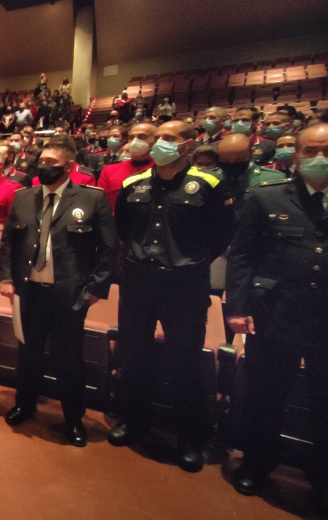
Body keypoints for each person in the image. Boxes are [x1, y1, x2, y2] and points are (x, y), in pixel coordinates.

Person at [109, 121, 234, 472]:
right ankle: (133, 421)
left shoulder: (209, 184)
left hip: (184, 285)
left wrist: (186, 263)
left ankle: (189, 438)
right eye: (157, 138)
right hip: (138, 282)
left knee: (185, 364)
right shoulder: (133, 184)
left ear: (188, 145)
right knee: (134, 356)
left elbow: (220, 237)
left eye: (169, 138)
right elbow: (124, 231)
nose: (160, 143)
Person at [225, 124, 328, 513]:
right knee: (265, 396)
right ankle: (256, 463)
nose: (320, 157)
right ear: (297, 156)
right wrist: (235, 307)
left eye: (326, 149)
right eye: (312, 150)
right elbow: (243, 256)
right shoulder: (266, 198)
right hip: (276, 314)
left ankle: (321, 479)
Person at [0, 140, 116, 447]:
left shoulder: (91, 199)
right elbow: (9, 241)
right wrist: (8, 278)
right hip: (30, 291)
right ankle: (25, 404)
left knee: (69, 360)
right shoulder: (23, 198)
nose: (42, 165)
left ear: (67, 167)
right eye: (41, 160)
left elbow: (107, 248)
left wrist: (95, 290)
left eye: (50, 161)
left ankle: (73, 418)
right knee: (28, 354)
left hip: (68, 293)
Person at [97, 122, 157, 212]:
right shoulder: (110, 170)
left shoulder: (164, 169)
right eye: (132, 137)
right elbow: (101, 206)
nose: (135, 141)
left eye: (142, 137)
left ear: (155, 140)